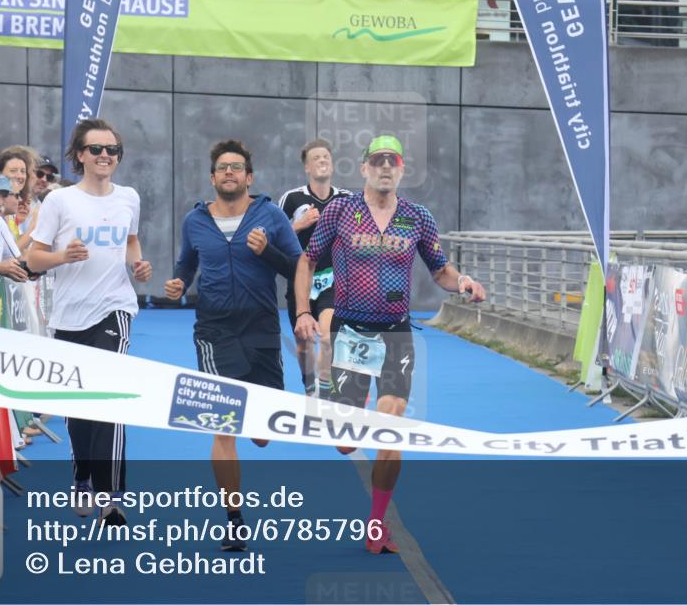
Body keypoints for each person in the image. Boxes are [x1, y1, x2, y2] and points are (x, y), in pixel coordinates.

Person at [294, 134, 486, 554]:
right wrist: (304, 311)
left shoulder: (417, 217)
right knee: (346, 442)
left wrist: (464, 282)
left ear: (401, 170)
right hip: (349, 331)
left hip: (396, 333)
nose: (385, 167)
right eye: (377, 160)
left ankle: (377, 524)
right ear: (364, 168)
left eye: (392, 161)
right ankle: (335, 391)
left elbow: (440, 270)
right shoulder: (341, 211)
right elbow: (307, 260)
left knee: (391, 426)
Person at [164, 139, 301, 551]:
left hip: (261, 329)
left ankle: (256, 428)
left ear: (249, 177)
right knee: (222, 425)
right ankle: (234, 520)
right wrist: (179, 283)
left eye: (236, 167)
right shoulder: (195, 220)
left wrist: (268, 251)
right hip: (214, 331)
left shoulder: (271, 215)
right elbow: (187, 262)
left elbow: (298, 267)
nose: (229, 172)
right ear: (212, 177)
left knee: (261, 434)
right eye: (222, 167)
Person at [27, 119, 152, 527]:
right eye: (96, 149)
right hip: (69, 316)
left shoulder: (128, 197)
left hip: (114, 308)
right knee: (79, 408)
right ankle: (82, 476)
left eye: (112, 150)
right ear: (80, 155)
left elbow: (131, 240)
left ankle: (111, 496)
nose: (104, 156)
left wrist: (137, 264)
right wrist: (62, 257)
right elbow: (33, 259)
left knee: (109, 398)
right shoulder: (60, 201)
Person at [277, 138, 350, 398]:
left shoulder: (346, 199)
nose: (322, 161)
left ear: (332, 165)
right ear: (307, 167)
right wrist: (299, 225)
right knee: (304, 343)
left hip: (333, 280)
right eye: (316, 158)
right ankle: (309, 386)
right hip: (301, 280)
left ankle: (324, 388)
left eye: (326, 157)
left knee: (329, 337)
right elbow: (275, 237)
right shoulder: (292, 198)